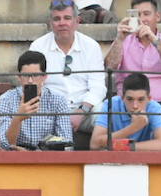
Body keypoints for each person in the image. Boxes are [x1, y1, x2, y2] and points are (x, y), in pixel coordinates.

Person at [29, 0, 105, 150]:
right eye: (57, 19)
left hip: (86, 108)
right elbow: (32, 85)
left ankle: (103, 163)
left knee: (106, 115)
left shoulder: (91, 46)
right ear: (50, 23)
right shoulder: (38, 47)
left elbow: (98, 87)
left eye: (67, 18)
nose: (62, 23)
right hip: (51, 110)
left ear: (77, 21)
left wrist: (82, 111)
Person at [104, 0, 161, 146]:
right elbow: (109, 67)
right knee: (104, 124)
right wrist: (120, 38)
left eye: (147, 14)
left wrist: (153, 39)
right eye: (137, 15)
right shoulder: (123, 41)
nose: (142, 19)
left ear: (157, 17)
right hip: (127, 103)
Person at [0, 49, 73, 150]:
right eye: (26, 76)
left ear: (44, 77)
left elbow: (66, 145)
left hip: (46, 160)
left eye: (35, 75)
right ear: (19, 77)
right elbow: (5, 144)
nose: (30, 81)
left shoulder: (58, 100)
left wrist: (34, 155)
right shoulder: (6, 99)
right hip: (15, 157)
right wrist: (18, 118)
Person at [90, 71, 161, 151]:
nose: (135, 105)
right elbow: (94, 144)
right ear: (122, 97)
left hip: (142, 156)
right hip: (114, 158)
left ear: (149, 99)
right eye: (130, 99)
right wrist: (133, 128)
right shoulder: (111, 104)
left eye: (140, 99)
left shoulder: (154, 107)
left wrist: (126, 146)